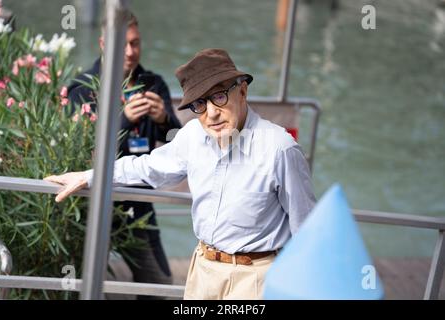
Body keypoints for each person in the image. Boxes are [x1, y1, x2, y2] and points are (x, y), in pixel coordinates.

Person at [46, 48, 316, 300]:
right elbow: (146, 167)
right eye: (199, 103)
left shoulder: (279, 149)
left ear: (242, 91)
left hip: (255, 278)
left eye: (219, 96)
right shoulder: (193, 135)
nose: (211, 113)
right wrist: (89, 176)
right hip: (202, 269)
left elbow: (305, 230)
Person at [66, 12, 181, 298]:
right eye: (124, 44)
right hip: (92, 201)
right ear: (105, 44)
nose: (130, 52)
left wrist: (164, 119)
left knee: (158, 287)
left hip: (137, 204)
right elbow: (83, 149)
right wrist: (124, 120)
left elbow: (178, 144)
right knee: (87, 284)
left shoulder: (153, 84)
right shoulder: (82, 88)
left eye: (136, 44)